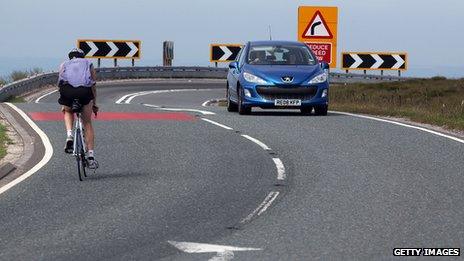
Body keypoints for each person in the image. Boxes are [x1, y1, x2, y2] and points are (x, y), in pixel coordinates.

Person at [58, 48, 99, 169]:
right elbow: (93, 85)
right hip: (84, 91)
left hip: (68, 91)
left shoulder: (64, 64)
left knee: (68, 111)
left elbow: (60, 84)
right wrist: (95, 104)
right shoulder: (88, 64)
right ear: (83, 56)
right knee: (87, 123)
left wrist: (64, 104)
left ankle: (69, 135)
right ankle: (91, 157)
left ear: (70, 57)